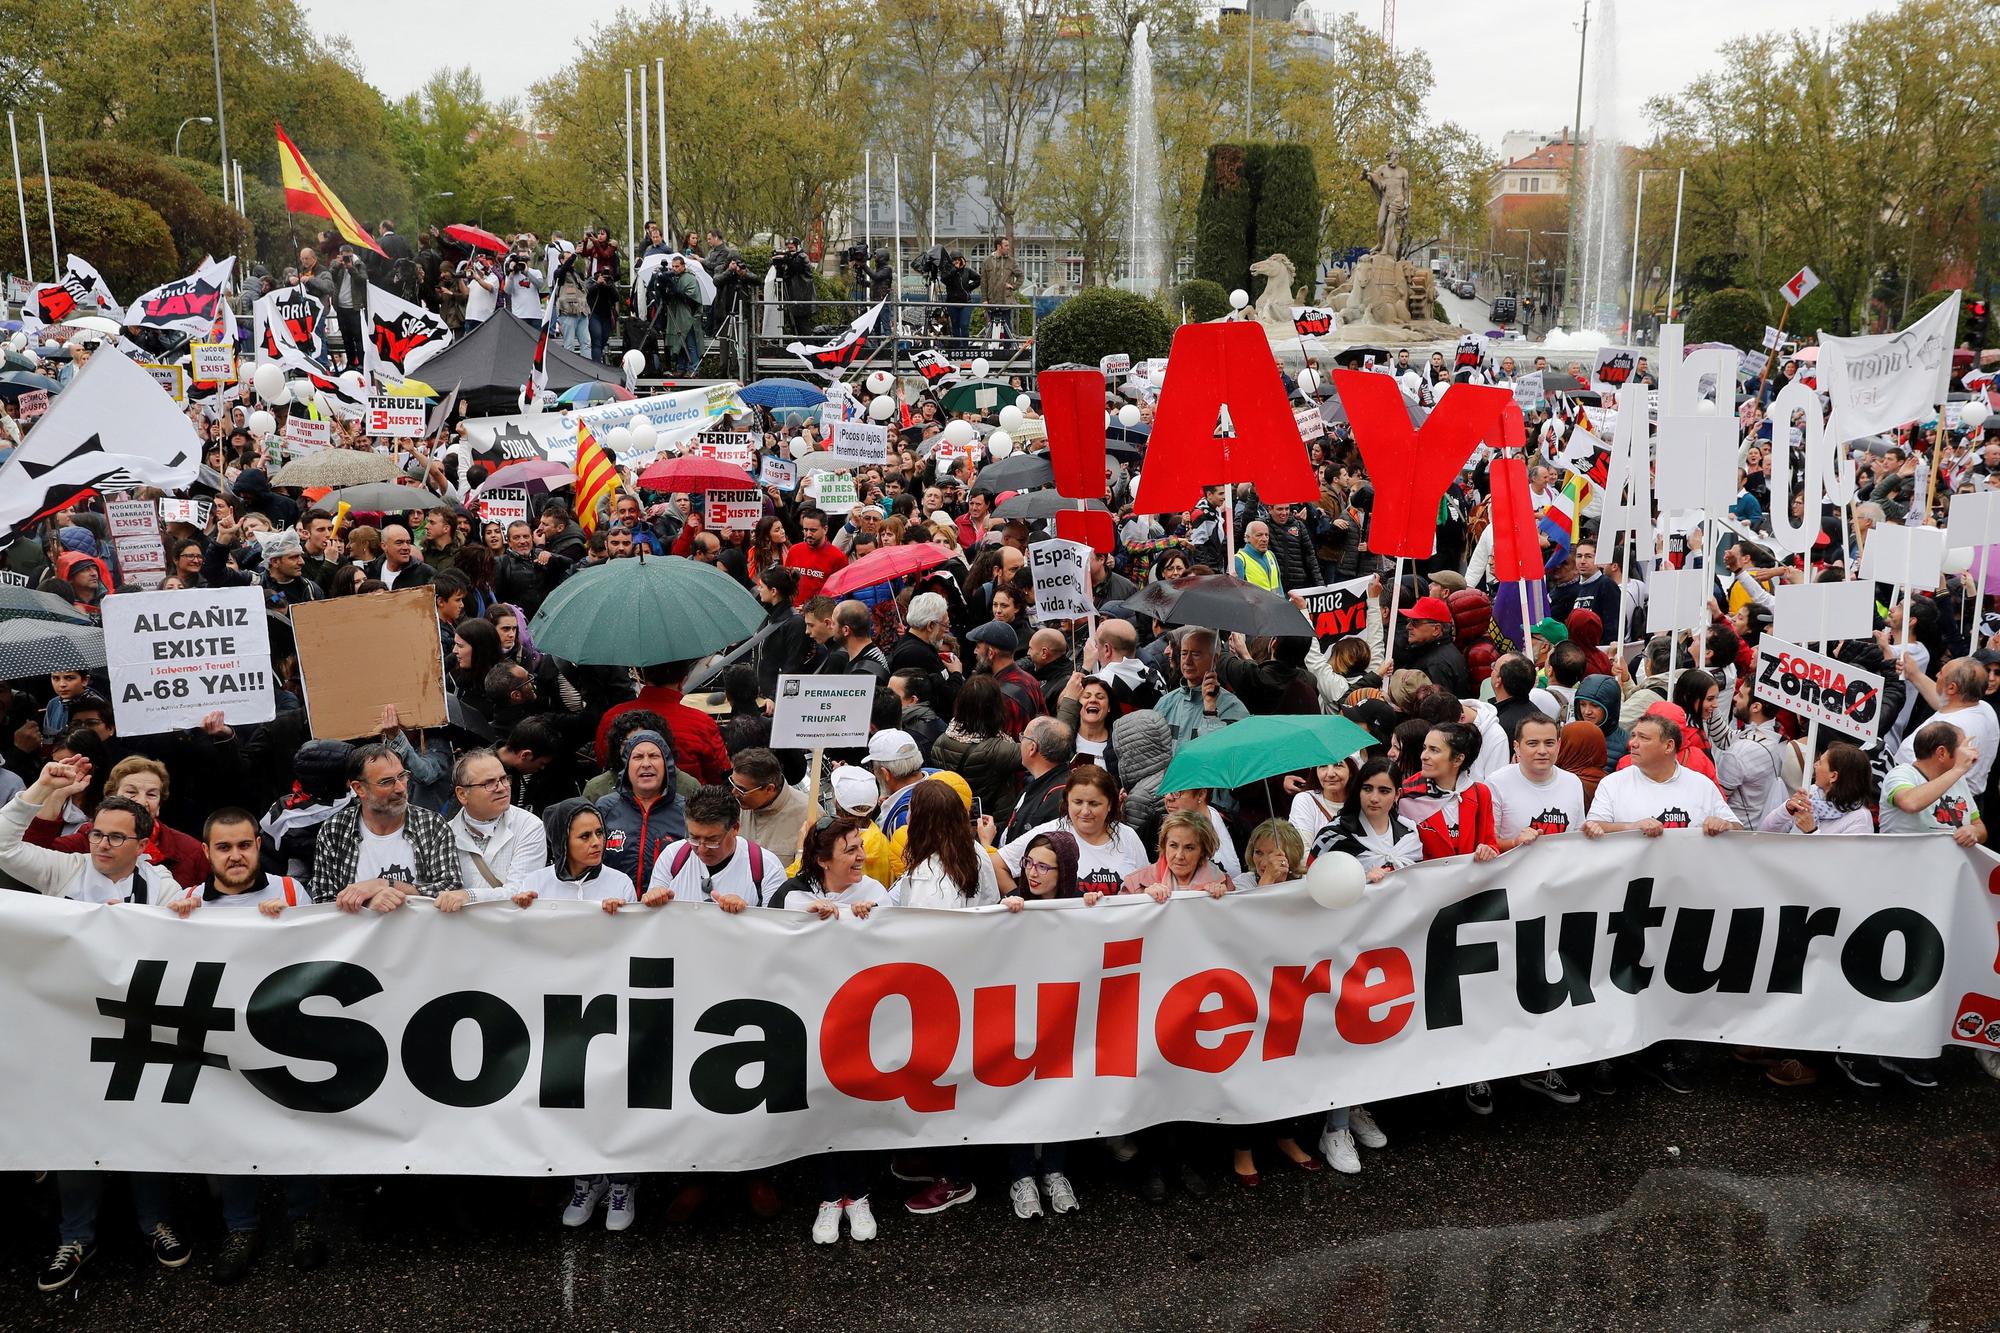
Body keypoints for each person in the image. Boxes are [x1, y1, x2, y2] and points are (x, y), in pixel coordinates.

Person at [309, 743, 460, 910]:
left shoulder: (432, 825)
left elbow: (452, 890)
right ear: (359, 788)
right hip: (364, 935)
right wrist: (369, 903)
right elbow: (323, 903)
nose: (400, 788)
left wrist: (384, 884)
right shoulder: (334, 831)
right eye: (387, 782)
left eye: (402, 776)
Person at [995, 764, 1147, 897]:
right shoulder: (1049, 833)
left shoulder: (1127, 836)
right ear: (1067, 800)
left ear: (1109, 804)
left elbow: (1147, 883)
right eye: (1078, 802)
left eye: (1094, 804)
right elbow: (996, 864)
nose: (1085, 811)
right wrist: (1021, 901)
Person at [646, 785, 786, 909]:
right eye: (694, 838)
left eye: (712, 840)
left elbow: (776, 929)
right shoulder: (672, 856)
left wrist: (747, 915)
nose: (702, 849)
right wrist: (653, 899)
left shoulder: (767, 867)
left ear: (735, 828)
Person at [437, 748, 547, 906]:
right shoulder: (443, 835)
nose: (502, 788)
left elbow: (520, 891)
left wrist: (468, 896)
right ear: (462, 794)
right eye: (489, 783)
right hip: (461, 928)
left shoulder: (529, 826)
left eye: (504, 779)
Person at [595, 729, 687, 886]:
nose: (646, 764)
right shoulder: (604, 808)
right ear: (626, 766)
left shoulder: (686, 811)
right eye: (637, 757)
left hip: (667, 907)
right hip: (614, 906)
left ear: (667, 765)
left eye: (654, 756)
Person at [1487, 713, 1587, 847]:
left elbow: (1577, 838)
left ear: (1558, 745)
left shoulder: (1573, 782)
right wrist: (1515, 843)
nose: (1542, 751)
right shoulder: (1496, 783)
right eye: (1532, 744)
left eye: (1549, 743)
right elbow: (1486, 844)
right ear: (1517, 747)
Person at [1879, 720, 1983, 843]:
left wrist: (1974, 832)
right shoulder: (1901, 774)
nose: (1970, 753)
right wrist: (1958, 769)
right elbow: (1910, 803)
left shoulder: (1958, 779)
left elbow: (1979, 826)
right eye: (1963, 748)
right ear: (1942, 753)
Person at [1155, 626, 1246, 741]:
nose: (1187, 661)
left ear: (1215, 659)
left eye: (1195, 654)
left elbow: (1218, 751)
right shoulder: (1165, 703)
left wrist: (1210, 711)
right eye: (1184, 653)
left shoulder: (1232, 707)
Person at [1122, 809, 1231, 900]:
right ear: (1164, 845)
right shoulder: (1135, 884)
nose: (1179, 856)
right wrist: (1143, 900)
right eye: (1173, 845)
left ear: (1203, 850)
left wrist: (1224, 900)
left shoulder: (1223, 883)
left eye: (1189, 848)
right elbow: (1120, 921)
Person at [731, 747, 811, 865]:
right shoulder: (735, 805)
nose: (734, 793)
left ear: (769, 789)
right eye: (733, 783)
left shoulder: (809, 815)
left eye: (742, 790)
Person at [1287, 760, 1352, 849]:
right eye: (1323, 766)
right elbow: (1302, 851)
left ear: (1350, 771)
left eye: (1338, 765)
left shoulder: (1363, 801)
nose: (1330, 774)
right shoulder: (1305, 800)